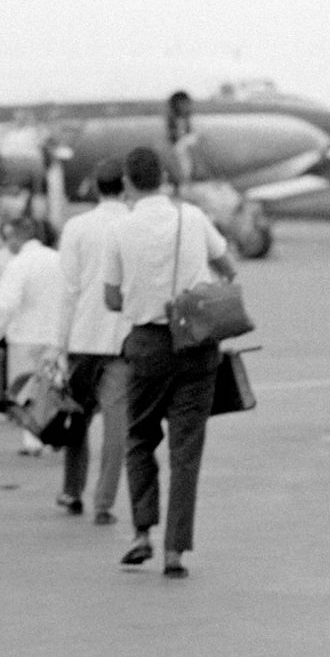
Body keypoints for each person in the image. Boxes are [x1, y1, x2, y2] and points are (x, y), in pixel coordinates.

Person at [102, 145, 236, 577]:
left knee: (140, 437)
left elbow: (111, 298)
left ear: (127, 182)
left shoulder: (119, 230)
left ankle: (142, 532)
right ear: (163, 178)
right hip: (196, 343)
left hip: (146, 346)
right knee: (186, 450)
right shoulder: (192, 217)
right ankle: (175, 550)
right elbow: (228, 267)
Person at [56, 156, 131, 522]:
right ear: (125, 186)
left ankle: (72, 491)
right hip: (120, 339)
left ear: (96, 188)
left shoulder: (76, 227)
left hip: (82, 337)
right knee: (117, 427)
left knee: (77, 419)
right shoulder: (134, 225)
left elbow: (68, 289)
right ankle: (104, 502)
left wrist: (59, 343)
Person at [0, 216, 68, 457]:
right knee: (54, 386)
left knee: (26, 390)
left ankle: (33, 439)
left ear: (18, 237)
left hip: (24, 336)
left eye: (9, 238)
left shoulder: (18, 264)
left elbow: (6, 303)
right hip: (55, 334)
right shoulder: (57, 259)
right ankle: (54, 431)